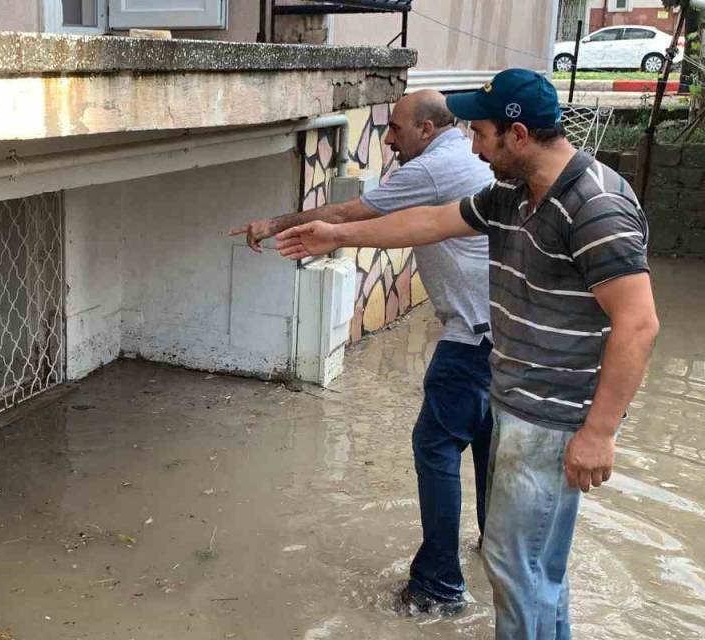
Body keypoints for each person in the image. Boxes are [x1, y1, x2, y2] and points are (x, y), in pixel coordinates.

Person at [273, 69, 660, 640]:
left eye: (480, 133)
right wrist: (339, 234)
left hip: (551, 417)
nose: (473, 147)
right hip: (516, 399)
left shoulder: (594, 205)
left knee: (513, 565)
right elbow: (433, 220)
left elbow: (639, 322)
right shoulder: (512, 194)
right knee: (533, 570)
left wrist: (598, 433)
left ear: (518, 134)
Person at [232, 89, 495, 615]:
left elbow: (354, 210)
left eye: (395, 128)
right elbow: (406, 226)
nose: (389, 138)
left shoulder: (434, 169)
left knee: (435, 448)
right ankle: (496, 552)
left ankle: (439, 588)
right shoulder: (460, 160)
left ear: (426, 129)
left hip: (471, 337)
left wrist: (277, 225)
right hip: (501, 336)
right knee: (488, 449)